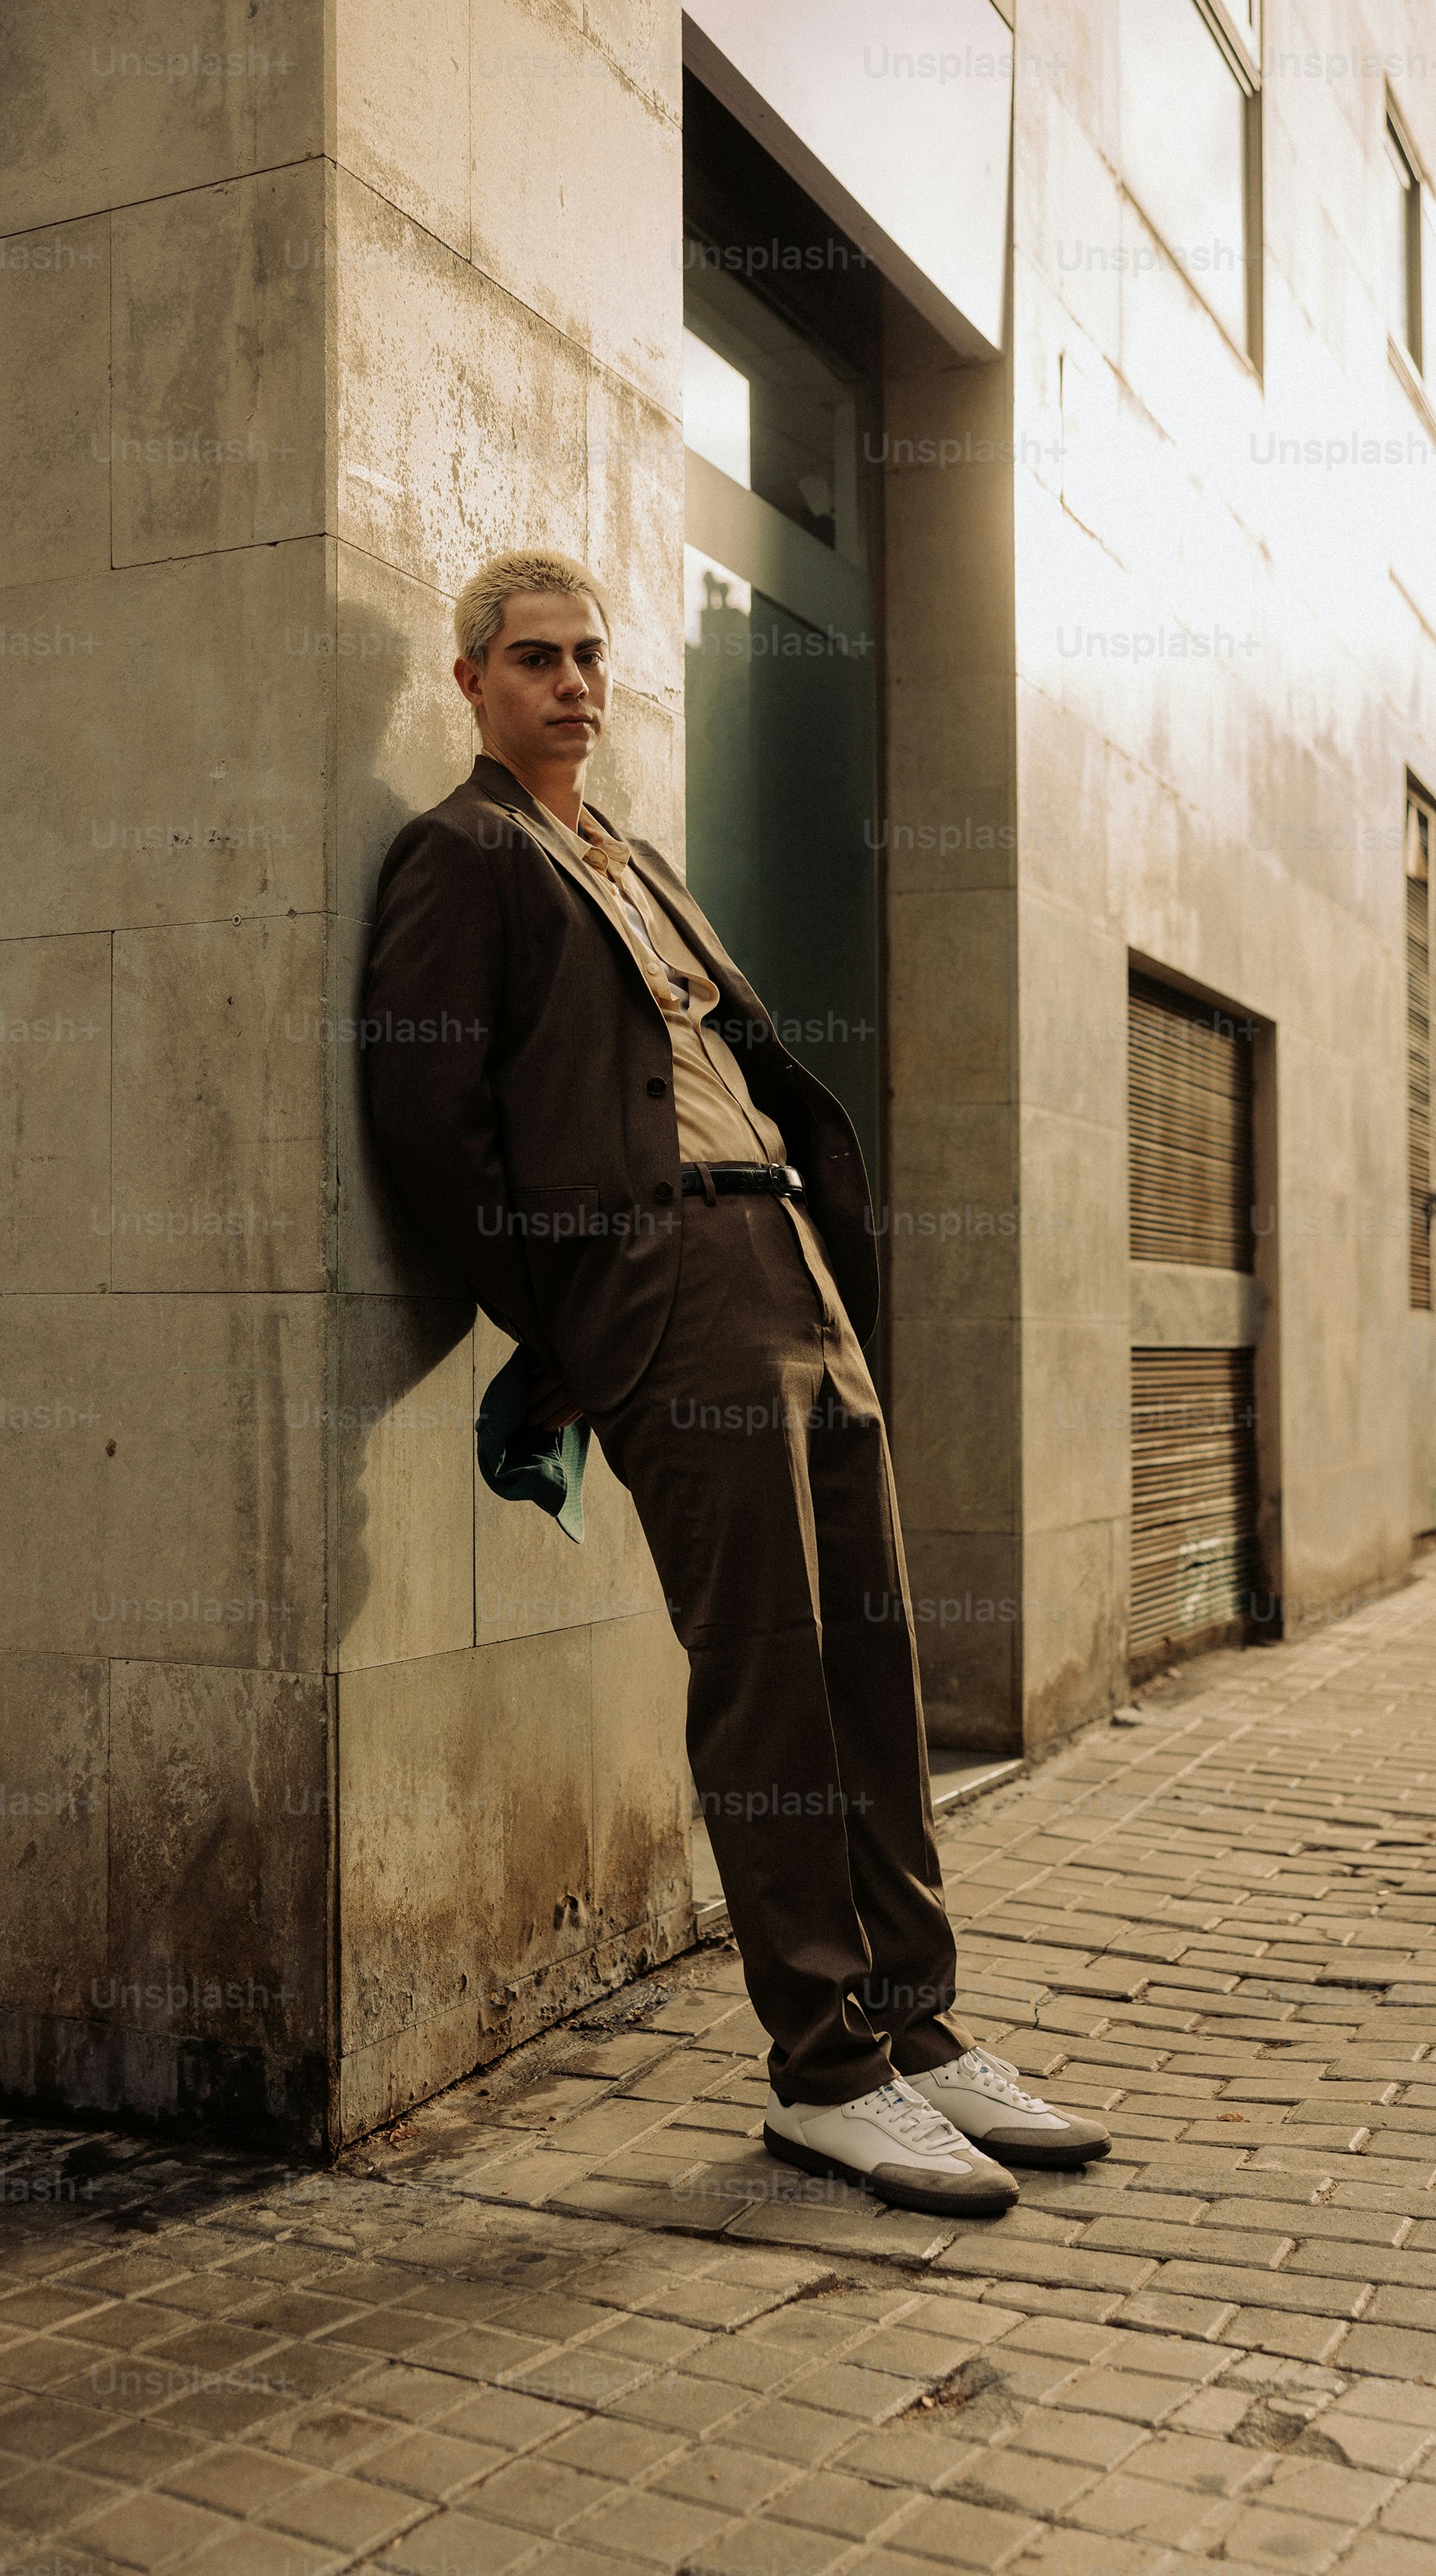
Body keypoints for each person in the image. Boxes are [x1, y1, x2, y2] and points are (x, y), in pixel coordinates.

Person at [363, 549, 1111, 2215]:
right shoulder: (461, 855)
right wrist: (580, 1308)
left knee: (870, 1660)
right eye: (535, 658)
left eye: (588, 657)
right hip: (671, 1286)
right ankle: (825, 2072)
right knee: (767, 1671)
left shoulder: (634, 860)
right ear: (470, 678)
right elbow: (428, 1121)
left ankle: (916, 2030)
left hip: (791, 1263)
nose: (570, 683)